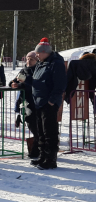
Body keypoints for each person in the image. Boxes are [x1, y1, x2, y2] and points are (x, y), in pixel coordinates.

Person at [30, 38, 67, 170]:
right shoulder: (41, 63)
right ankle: (42, 156)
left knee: (49, 131)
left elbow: (60, 84)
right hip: (39, 102)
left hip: (48, 103)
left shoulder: (56, 63)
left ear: (45, 52)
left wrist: (52, 100)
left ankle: (50, 159)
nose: (37, 56)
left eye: (38, 53)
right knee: (40, 130)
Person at [10, 51, 40, 159]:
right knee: (32, 126)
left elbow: (36, 84)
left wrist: (24, 82)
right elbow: (13, 81)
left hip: (37, 102)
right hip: (25, 103)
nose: (28, 61)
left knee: (37, 128)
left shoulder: (38, 70)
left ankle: (37, 151)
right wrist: (14, 84)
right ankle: (37, 150)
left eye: (31, 59)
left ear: (36, 60)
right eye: (27, 59)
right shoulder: (24, 70)